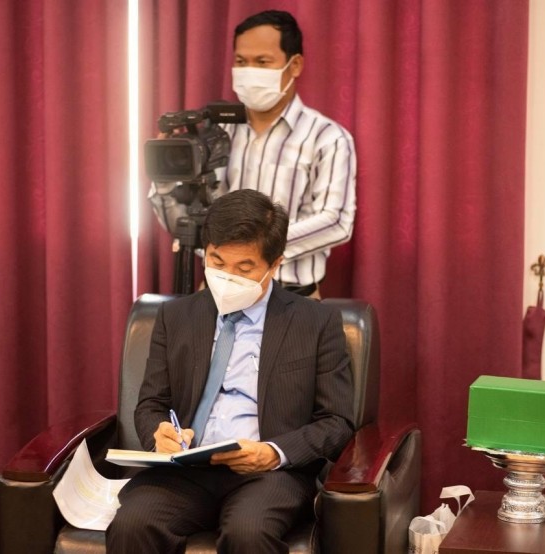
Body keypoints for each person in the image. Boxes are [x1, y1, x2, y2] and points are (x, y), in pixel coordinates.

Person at [107, 189, 355, 553]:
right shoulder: (176, 317)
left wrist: (274, 452)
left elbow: (337, 421)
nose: (227, 277)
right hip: (186, 472)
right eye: (217, 262)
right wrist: (158, 435)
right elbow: (151, 404)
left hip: (268, 474)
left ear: (275, 264)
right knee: (132, 525)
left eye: (244, 268)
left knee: (248, 533)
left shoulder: (315, 322)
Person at [149, 10, 357, 298]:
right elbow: (184, 224)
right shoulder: (213, 134)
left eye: (262, 62)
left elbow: (336, 222)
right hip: (217, 293)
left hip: (293, 297)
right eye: (241, 61)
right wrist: (164, 184)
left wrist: (252, 247)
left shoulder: (326, 137)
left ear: (295, 65)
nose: (249, 70)